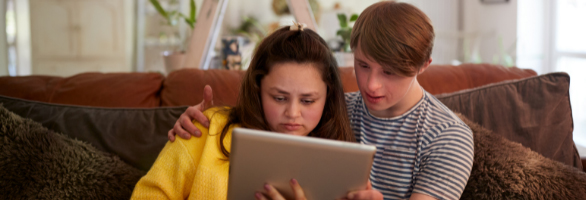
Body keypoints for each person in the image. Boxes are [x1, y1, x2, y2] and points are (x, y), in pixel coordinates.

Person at [169, 2, 475, 200]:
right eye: (363, 65)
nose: (372, 84)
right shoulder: (328, 107)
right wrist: (202, 126)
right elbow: (262, 120)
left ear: (424, 65)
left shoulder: (448, 137)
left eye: (391, 73)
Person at [131, 24, 355, 199]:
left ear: (328, 96)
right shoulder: (206, 128)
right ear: (258, 89)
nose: (293, 113)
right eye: (279, 98)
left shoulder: (338, 161)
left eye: (308, 100)